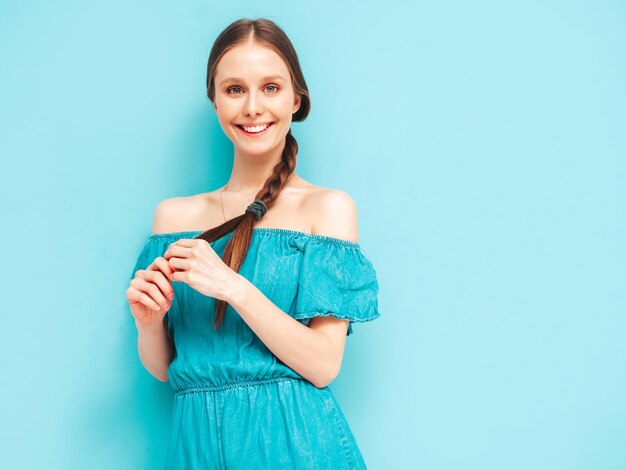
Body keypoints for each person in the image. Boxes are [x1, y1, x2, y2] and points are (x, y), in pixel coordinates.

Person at [126, 17, 381, 469]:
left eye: (270, 87)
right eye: (234, 90)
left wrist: (233, 287)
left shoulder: (328, 210)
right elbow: (167, 369)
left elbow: (323, 365)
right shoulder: (174, 218)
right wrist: (149, 323)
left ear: (296, 98)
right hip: (195, 445)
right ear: (215, 101)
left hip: (295, 446)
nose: (252, 107)